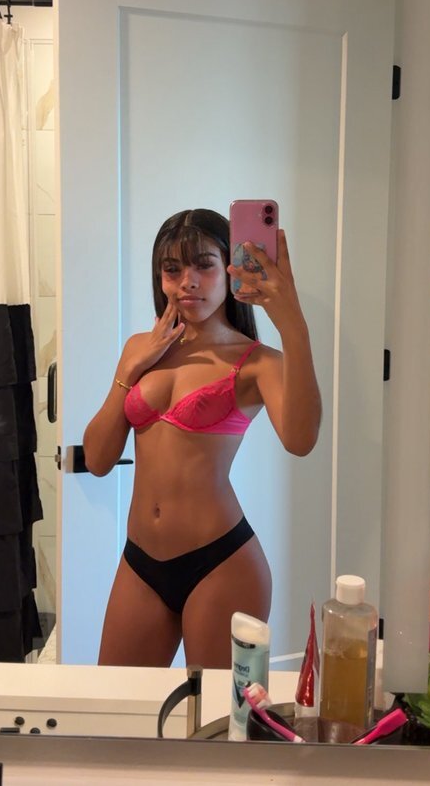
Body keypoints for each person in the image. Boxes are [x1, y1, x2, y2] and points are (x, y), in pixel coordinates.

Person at [83, 208, 321, 668]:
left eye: (204, 266)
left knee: (215, 713)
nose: (187, 282)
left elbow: (301, 439)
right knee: (117, 705)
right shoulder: (139, 349)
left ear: (229, 270)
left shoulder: (256, 362)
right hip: (140, 562)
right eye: (172, 269)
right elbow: (96, 459)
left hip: (222, 562)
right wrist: (129, 371)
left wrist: (292, 322)